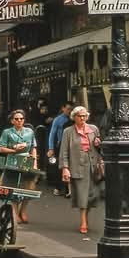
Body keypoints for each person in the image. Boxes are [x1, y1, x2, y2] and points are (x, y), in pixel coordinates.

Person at [60, 106, 103, 235]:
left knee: (93, 194)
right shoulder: (68, 131)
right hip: (78, 165)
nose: (82, 118)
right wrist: (65, 168)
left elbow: (100, 147)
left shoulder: (94, 129)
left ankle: (86, 216)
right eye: (80, 116)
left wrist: (98, 143)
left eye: (84, 116)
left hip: (93, 166)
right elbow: (64, 151)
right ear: (74, 117)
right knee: (82, 195)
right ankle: (83, 221)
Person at [0, 109, 38, 224]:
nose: (19, 121)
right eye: (16, 119)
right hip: (12, 160)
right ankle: (15, 211)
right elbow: (1, 148)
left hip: (26, 160)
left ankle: (23, 210)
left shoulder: (29, 132)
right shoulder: (7, 132)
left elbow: (33, 148)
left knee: (28, 186)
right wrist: (14, 149)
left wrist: (34, 162)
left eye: (21, 119)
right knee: (12, 186)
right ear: (12, 121)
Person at [47, 101, 74, 196]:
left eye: (71, 109)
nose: (69, 111)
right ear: (63, 108)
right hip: (60, 146)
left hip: (72, 146)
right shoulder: (58, 120)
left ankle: (68, 189)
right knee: (60, 167)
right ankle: (58, 187)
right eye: (68, 109)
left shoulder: (74, 119)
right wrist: (51, 148)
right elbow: (52, 134)